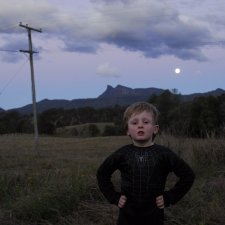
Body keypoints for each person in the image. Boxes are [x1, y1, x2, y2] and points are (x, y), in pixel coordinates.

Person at [96, 102, 195, 225]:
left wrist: (169, 197)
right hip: (127, 217)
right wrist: (114, 197)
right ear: (127, 130)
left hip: (154, 217)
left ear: (155, 129)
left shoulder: (164, 154)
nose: (140, 126)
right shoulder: (122, 154)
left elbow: (188, 175)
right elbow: (102, 173)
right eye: (135, 122)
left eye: (146, 122)